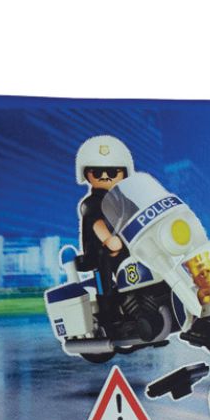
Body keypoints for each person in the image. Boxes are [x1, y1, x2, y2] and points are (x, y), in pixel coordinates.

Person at [74, 135, 134, 325]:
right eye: (98, 172)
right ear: (87, 174)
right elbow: (96, 222)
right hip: (99, 251)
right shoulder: (92, 202)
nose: (105, 176)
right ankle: (109, 314)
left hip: (124, 246)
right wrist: (108, 239)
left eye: (112, 171)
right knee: (105, 263)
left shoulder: (123, 199)